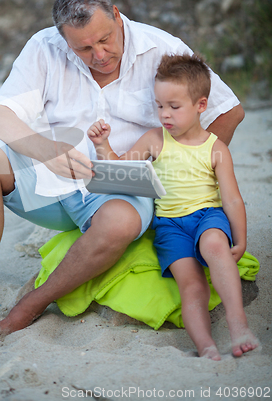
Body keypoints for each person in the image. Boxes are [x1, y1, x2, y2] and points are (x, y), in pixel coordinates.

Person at [0, 0, 245, 339]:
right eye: (84, 48)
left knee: (119, 222)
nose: (100, 54)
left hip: (123, 186)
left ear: (117, 16)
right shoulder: (44, 48)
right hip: (53, 181)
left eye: (105, 39)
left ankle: (33, 303)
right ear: (64, 40)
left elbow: (227, 111)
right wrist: (45, 150)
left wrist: (187, 172)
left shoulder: (161, 48)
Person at [87, 53, 258, 360]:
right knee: (190, 286)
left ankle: (238, 327)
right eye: (160, 106)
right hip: (170, 225)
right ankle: (205, 346)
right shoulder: (155, 139)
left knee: (217, 247)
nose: (165, 114)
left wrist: (241, 239)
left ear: (200, 105)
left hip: (208, 216)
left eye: (174, 107)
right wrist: (103, 147)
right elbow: (123, 169)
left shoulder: (215, 148)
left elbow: (231, 198)